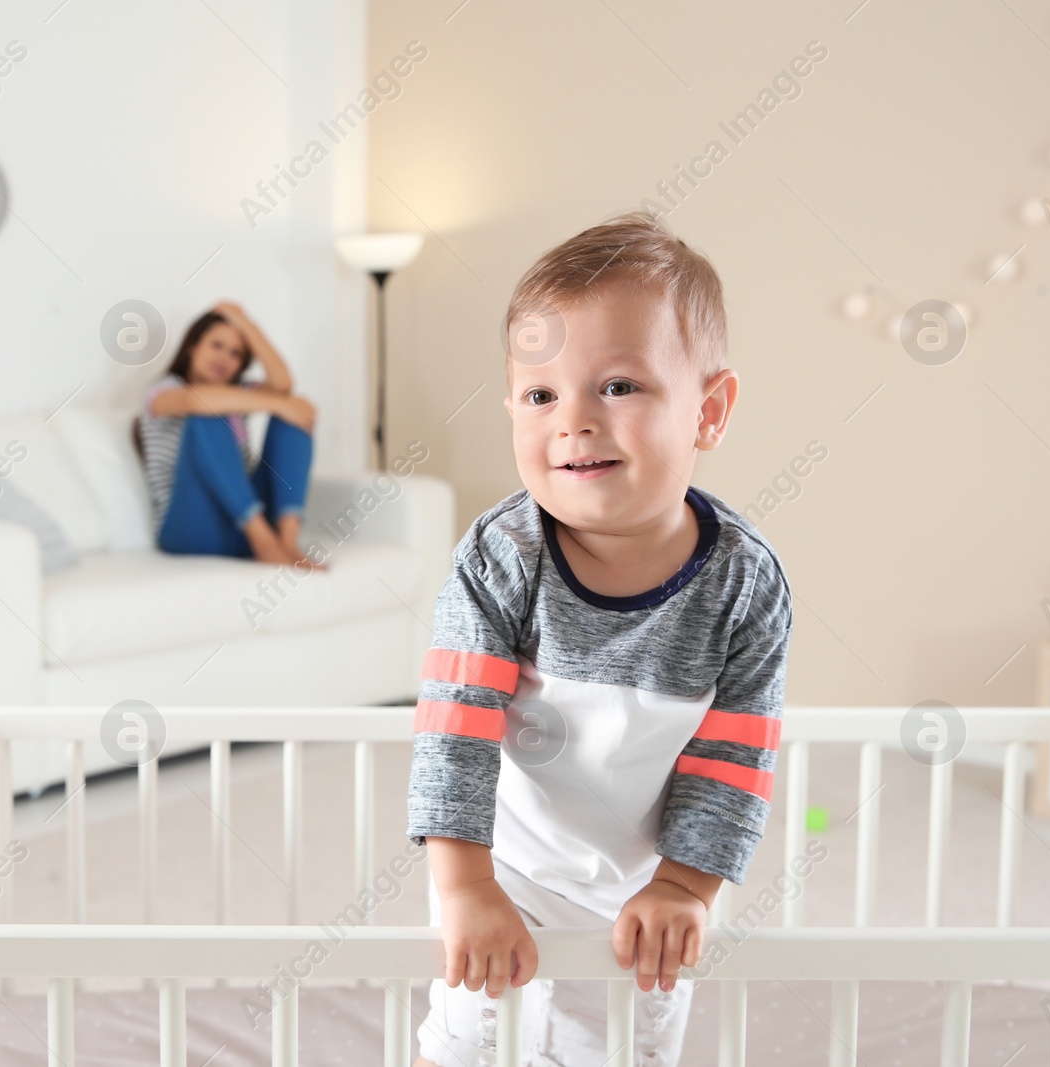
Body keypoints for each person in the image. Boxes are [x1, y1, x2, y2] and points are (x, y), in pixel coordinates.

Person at [407, 212, 794, 1066]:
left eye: (617, 386)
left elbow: (734, 758)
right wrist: (465, 885)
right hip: (505, 862)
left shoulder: (744, 584)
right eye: (541, 396)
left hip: (643, 887)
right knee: (471, 1040)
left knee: (622, 1049)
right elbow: (455, 727)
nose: (573, 420)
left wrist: (686, 886)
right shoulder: (501, 557)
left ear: (710, 410)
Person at [137, 302, 319, 565]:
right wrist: (280, 403)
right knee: (209, 412)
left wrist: (246, 322)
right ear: (193, 347)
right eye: (216, 345)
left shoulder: (239, 395)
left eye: (236, 353)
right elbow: (195, 402)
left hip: (237, 529)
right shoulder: (165, 390)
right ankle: (264, 541)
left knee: (292, 419)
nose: (224, 358)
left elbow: (283, 384)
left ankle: (287, 543)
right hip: (190, 529)